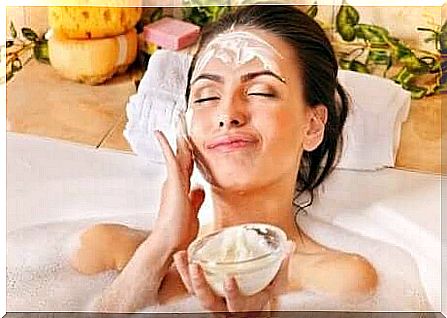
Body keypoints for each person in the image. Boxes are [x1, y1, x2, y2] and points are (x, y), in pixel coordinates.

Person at [70, 5, 378, 313]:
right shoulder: (107, 251)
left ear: (311, 126)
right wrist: (161, 246)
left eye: (260, 92)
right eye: (206, 96)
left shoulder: (338, 282)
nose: (228, 114)